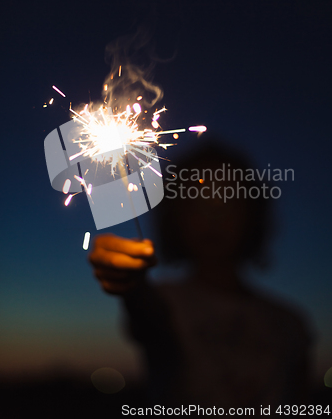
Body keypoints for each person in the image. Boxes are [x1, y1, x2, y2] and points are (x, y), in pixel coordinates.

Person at [88, 138, 313, 413]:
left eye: (228, 200)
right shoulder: (167, 302)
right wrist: (131, 285)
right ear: (174, 216)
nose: (213, 216)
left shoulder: (290, 324)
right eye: (196, 202)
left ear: (254, 214)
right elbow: (147, 313)